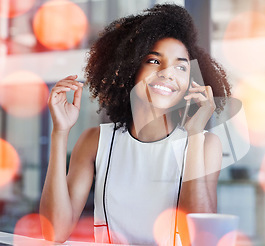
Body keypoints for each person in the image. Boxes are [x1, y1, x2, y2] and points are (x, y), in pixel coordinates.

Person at [39, 3, 232, 245]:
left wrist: (194, 136)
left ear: (190, 82)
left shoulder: (204, 144)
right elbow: (55, 232)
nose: (168, 73)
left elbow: (202, 240)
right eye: (154, 61)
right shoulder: (95, 141)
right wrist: (60, 132)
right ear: (130, 69)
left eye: (181, 66)